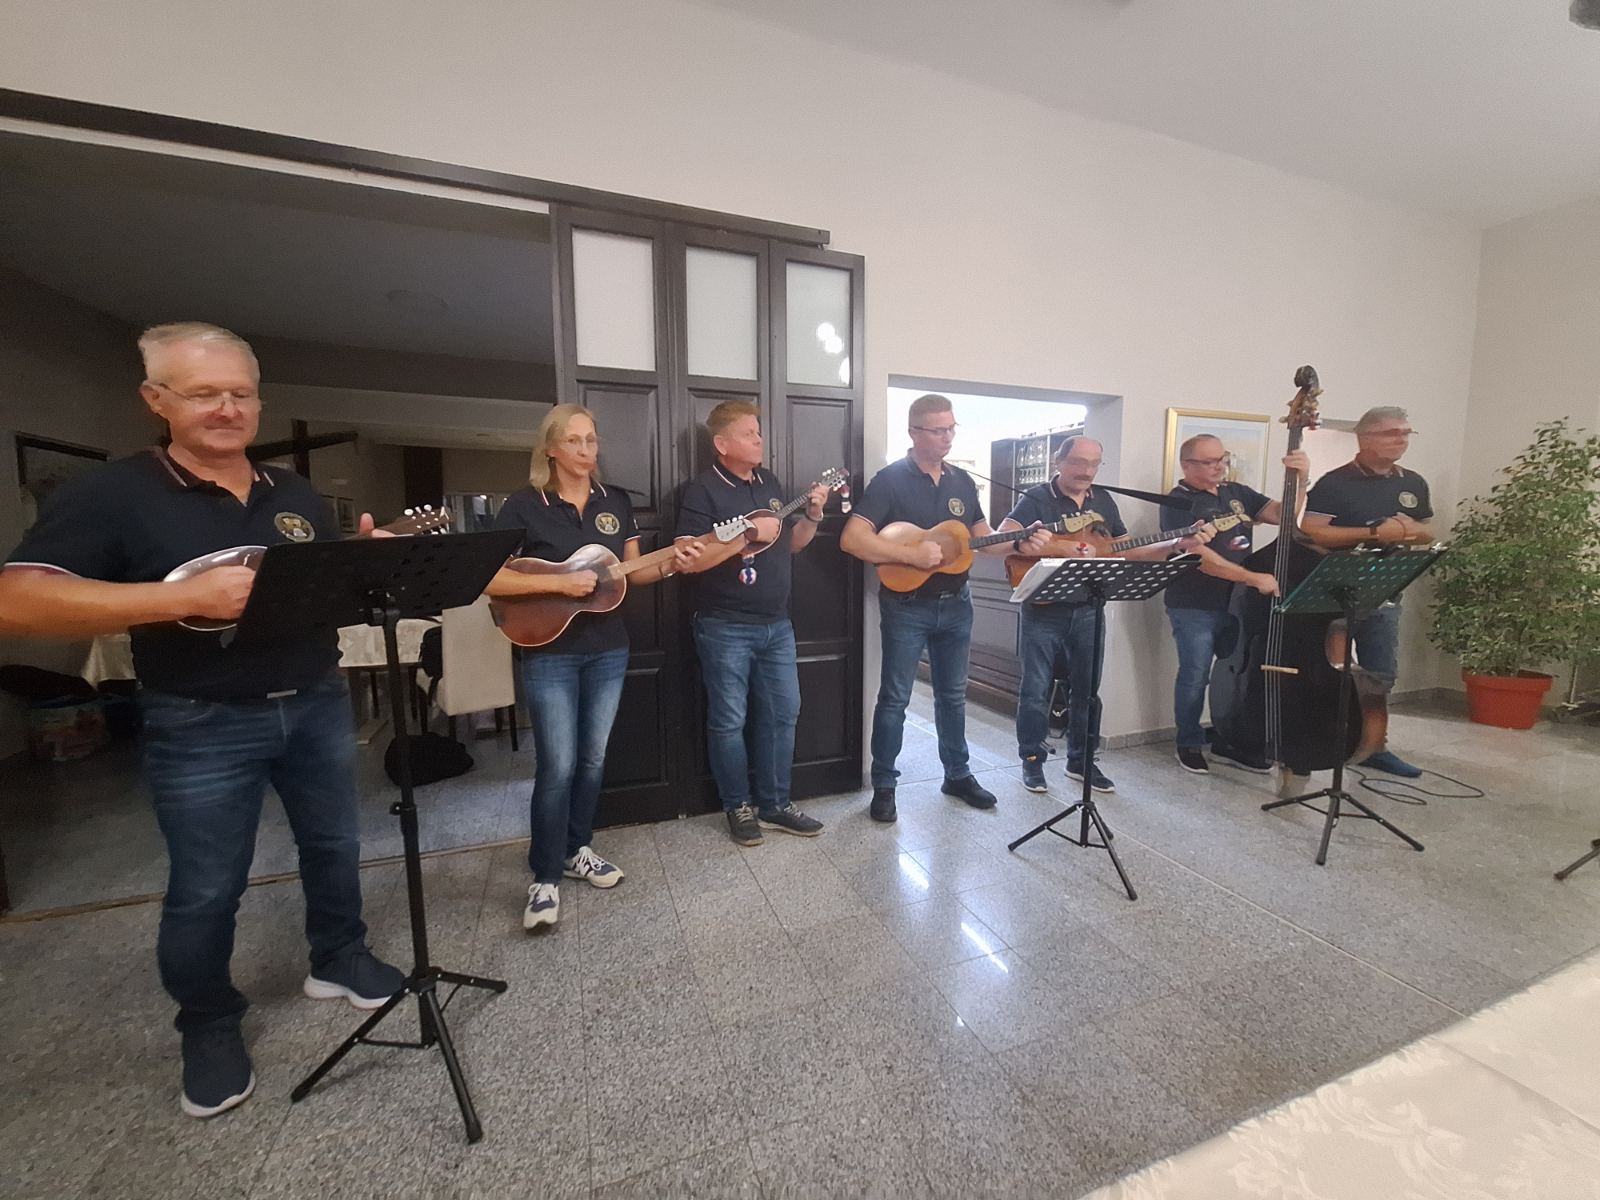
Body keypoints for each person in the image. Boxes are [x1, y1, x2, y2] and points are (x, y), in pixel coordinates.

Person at [0, 323, 404, 1120]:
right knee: (207, 886)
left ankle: (338, 956)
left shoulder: (294, 494)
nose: (226, 408)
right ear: (156, 399)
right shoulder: (113, 493)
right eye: (203, 393)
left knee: (335, 847)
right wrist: (178, 597)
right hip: (200, 720)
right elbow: (17, 601)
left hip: (315, 703)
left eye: (241, 393)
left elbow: (316, 588)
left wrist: (365, 563)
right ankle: (209, 1022)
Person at [486, 404, 699, 930]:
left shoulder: (614, 502)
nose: (585, 450)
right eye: (574, 441)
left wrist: (670, 562)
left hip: (608, 648)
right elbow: (491, 580)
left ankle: (576, 849)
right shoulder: (523, 505)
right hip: (548, 652)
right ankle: (544, 876)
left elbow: (630, 570)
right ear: (551, 449)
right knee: (557, 765)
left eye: (591, 440)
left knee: (593, 759)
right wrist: (560, 583)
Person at [842, 394, 1052, 822]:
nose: (947, 437)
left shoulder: (962, 482)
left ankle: (957, 775)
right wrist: (910, 555)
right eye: (938, 430)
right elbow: (852, 539)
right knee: (895, 698)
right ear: (914, 432)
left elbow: (984, 540)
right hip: (907, 606)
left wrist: (1020, 542)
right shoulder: (890, 480)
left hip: (958, 604)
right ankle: (884, 785)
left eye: (952, 428)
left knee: (953, 696)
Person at [998, 436, 1210, 794]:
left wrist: (1174, 544)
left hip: (1089, 606)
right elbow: (1003, 538)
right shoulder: (1037, 497)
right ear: (1059, 462)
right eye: (1078, 462)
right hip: (1044, 608)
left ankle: (1081, 761)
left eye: (1094, 464)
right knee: (1035, 689)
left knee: (1087, 691)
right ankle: (1032, 760)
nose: (1086, 471)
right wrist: (1062, 546)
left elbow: (1123, 549)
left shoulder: (1104, 501)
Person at [674, 400, 829, 846]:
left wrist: (813, 515)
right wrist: (746, 534)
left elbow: (791, 544)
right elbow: (688, 559)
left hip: (777, 624)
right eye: (749, 433)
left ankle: (775, 804)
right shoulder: (702, 490)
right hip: (724, 625)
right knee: (729, 719)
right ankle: (737, 805)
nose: (760, 440)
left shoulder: (771, 484)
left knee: (784, 712)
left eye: (758, 432)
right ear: (722, 444)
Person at [1160, 436, 1312, 775]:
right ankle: (1188, 742)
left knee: (1236, 672)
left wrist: (1301, 480)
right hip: (1195, 604)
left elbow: (1283, 515)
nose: (1219, 467)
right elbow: (1198, 556)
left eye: (1222, 459)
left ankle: (1230, 739)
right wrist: (1251, 577)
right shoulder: (1177, 502)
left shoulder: (1236, 493)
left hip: (1238, 604)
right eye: (1209, 462)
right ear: (1187, 465)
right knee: (1196, 675)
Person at [1299, 405, 1434, 777]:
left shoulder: (1413, 482)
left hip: (1386, 588)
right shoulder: (1334, 483)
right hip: (1335, 591)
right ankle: (1326, 741)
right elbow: (1313, 531)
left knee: (1380, 673)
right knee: (1333, 673)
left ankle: (1375, 745)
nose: (1401, 440)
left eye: (1406, 433)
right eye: (1392, 433)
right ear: (1365, 437)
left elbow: (1426, 530)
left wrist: (1406, 532)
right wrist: (1374, 533)